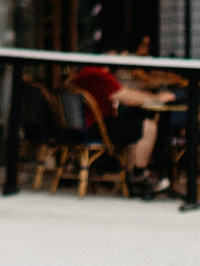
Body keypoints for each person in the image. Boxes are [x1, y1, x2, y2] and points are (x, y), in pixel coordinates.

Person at [74, 60, 176, 196]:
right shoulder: (98, 74)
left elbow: (123, 95)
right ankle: (139, 178)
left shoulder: (84, 72)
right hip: (95, 128)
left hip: (80, 127)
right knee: (148, 127)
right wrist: (157, 97)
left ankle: (131, 179)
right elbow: (122, 94)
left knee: (134, 128)